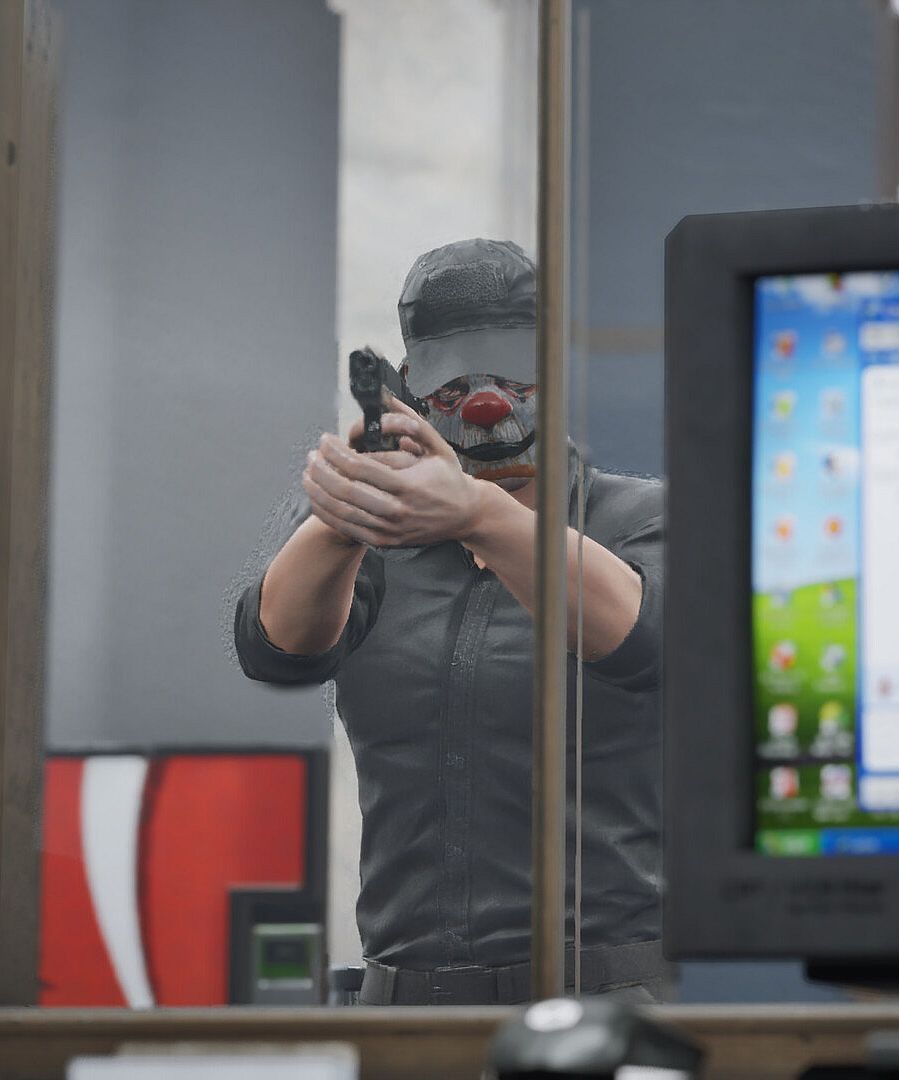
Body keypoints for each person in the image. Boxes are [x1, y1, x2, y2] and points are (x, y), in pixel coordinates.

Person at [233, 239, 667, 1005]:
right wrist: (349, 507)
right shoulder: (374, 544)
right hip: (405, 1002)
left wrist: (477, 512)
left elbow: (642, 641)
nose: (486, 404)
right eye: (456, 384)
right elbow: (275, 651)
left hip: (600, 995)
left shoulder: (641, 517)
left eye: (512, 378)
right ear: (414, 389)